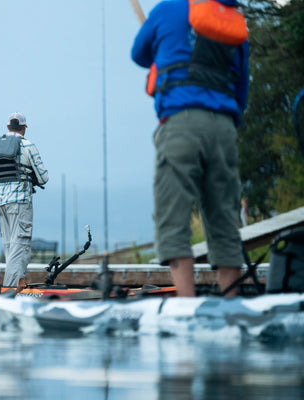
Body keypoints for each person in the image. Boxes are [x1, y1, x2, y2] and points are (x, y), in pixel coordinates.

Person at [131, 0, 249, 297]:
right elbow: (242, 92)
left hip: (181, 124)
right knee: (224, 219)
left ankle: (185, 306)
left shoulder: (166, 9)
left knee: (174, 217)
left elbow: (139, 54)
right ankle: (231, 304)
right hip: (224, 128)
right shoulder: (233, 19)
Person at [0, 112, 48, 293]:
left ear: (7, 127)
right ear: (24, 128)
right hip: (20, 203)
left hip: (2, 204)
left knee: (10, 248)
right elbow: (44, 178)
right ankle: (11, 291)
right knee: (20, 247)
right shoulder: (28, 145)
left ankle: (17, 284)